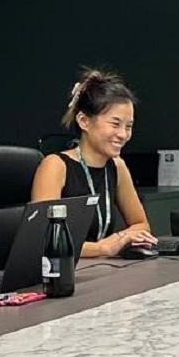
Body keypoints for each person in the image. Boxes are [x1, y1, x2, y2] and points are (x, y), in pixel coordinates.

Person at [29, 69, 157, 258]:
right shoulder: (55, 166)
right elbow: (43, 237)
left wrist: (120, 238)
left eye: (128, 126)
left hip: (104, 270)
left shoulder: (117, 166)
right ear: (84, 121)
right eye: (115, 124)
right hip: (63, 274)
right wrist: (102, 248)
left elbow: (141, 224)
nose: (123, 134)